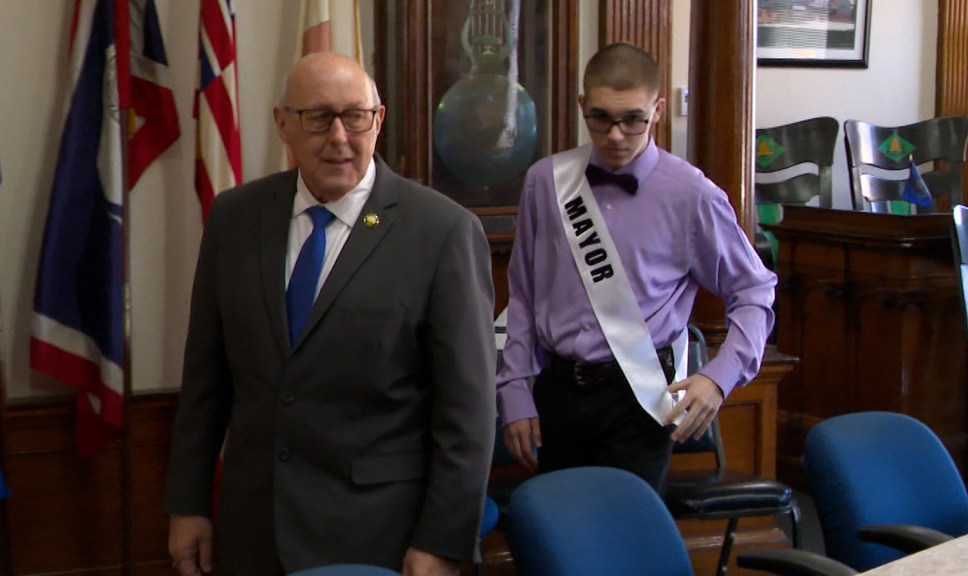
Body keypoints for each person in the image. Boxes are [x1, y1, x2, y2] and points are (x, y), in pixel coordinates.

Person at [164, 52, 497, 576]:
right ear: (283, 124)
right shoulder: (234, 218)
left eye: (355, 116)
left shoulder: (441, 231)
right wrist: (188, 504)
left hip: (379, 535)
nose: (339, 137)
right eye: (318, 118)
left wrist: (443, 541)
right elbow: (205, 381)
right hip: (254, 530)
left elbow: (468, 412)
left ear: (378, 120)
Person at [496, 42, 776, 493]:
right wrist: (512, 390)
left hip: (640, 399)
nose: (616, 135)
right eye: (601, 118)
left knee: (621, 542)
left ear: (658, 110)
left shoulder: (692, 194)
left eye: (633, 120)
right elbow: (524, 293)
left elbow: (755, 291)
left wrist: (719, 378)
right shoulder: (546, 181)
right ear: (582, 106)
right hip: (557, 393)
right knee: (554, 540)